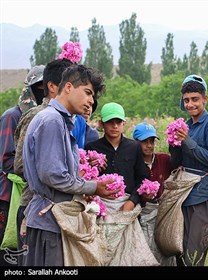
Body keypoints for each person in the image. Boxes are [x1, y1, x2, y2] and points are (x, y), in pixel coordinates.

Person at [22, 64, 119, 266]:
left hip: (53, 219)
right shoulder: (52, 121)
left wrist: (84, 186)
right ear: (67, 87)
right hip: (48, 221)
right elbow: (53, 175)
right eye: (88, 93)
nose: (91, 101)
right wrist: (94, 187)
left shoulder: (61, 121)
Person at [13, 58, 73, 266]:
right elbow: (20, 165)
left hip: (56, 211)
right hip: (35, 207)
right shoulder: (41, 117)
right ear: (53, 86)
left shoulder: (65, 119)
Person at [167, 74, 208, 266]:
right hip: (182, 193)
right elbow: (176, 162)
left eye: (195, 99)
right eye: (186, 100)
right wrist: (174, 143)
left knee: (195, 250)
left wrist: (187, 141)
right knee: (179, 246)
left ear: (205, 99)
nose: (190, 104)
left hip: (200, 194)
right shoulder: (187, 126)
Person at [0, 65, 44, 265]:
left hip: (30, 195)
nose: (43, 90)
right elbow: (6, 160)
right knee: (8, 250)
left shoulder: (45, 117)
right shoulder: (13, 116)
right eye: (39, 86)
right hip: (9, 195)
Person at [85, 102, 149, 212]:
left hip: (127, 203)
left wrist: (132, 201)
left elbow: (142, 178)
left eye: (118, 122)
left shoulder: (134, 147)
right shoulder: (92, 148)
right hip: (100, 205)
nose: (115, 126)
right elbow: (85, 178)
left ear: (123, 123)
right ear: (101, 123)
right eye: (110, 122)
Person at [133, 122, 175, 266]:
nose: (149, 145)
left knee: (164, 249)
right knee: (146, 250)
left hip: (162, 211)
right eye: (144, 141)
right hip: (143, 212)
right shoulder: (133, 164)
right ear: (136, 142)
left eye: (152, 141)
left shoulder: (163, 159)